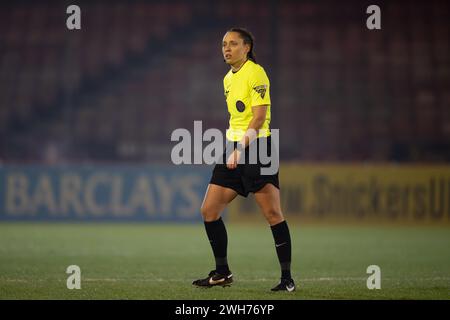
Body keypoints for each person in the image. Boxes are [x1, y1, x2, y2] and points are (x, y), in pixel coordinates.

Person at [192, 28, 295, 292]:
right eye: (224, 44)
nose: (226, 48)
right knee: (209, 210)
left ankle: (287, 279)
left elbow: (259, 117)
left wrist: (240, 148)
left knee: (272, 214)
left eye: (233, 44)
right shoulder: (227, 78)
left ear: (246, 47)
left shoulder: (256, 72)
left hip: (259, 147)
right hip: (233, 146)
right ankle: (222, 272)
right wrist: (233, 148)